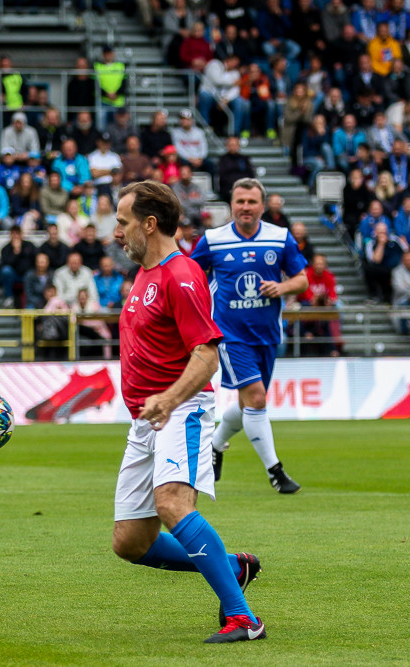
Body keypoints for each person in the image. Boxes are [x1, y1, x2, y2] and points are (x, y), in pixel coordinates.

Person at [111, 179, 265, 644]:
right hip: (147, 419)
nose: (116, 232)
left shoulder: (180, 275)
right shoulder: (146, 274)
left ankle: (243, 619)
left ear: (149, 224)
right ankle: (232, 567)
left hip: (181, 410)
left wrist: (170, 399)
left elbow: (207, 355)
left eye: (122, 222)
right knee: (130, 541)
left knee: (173, 504)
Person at [190, 178, 307, 493]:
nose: (245, 207)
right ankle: (276, 472)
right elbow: (190, 276)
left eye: (252, 202)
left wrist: (282, 287)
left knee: (248, 405)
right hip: (230, 335)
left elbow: (302, 280)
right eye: (240, 201)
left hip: (267, 335)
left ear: (262, 206)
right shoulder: (213, 240)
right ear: (231, 205)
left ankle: (215, 446)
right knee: (256, 398)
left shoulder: (279, 237)